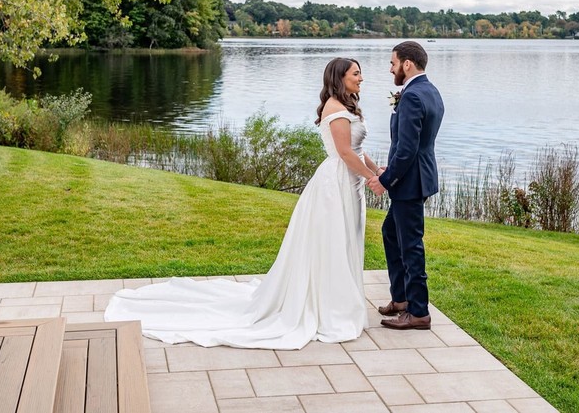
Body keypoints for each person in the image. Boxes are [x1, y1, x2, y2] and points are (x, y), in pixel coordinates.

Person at [104, 57, 383, 349]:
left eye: (360, 72)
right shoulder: (335, 109)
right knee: (333, 242)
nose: (361, 77)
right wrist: (371, 179)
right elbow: (345, 154)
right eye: (356, 73)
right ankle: (329, 308)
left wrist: (376, 172)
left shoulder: (347, 107)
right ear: (340, 77)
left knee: (346, 240)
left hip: (350, 183)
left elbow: (358, 151)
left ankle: (338, 301)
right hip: (335, 184)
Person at [366, 41, 444, 330]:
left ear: (407, 63)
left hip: (410, 182)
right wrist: (390, 167)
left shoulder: (411, 96)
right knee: (390, 233)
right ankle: (400, 299)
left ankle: (419, 312)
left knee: (411, 245)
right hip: (417, 176)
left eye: (392, 63)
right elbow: (408, 144)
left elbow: (408, 149)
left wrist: (385, 180)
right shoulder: (429, 91)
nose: (390, 69)